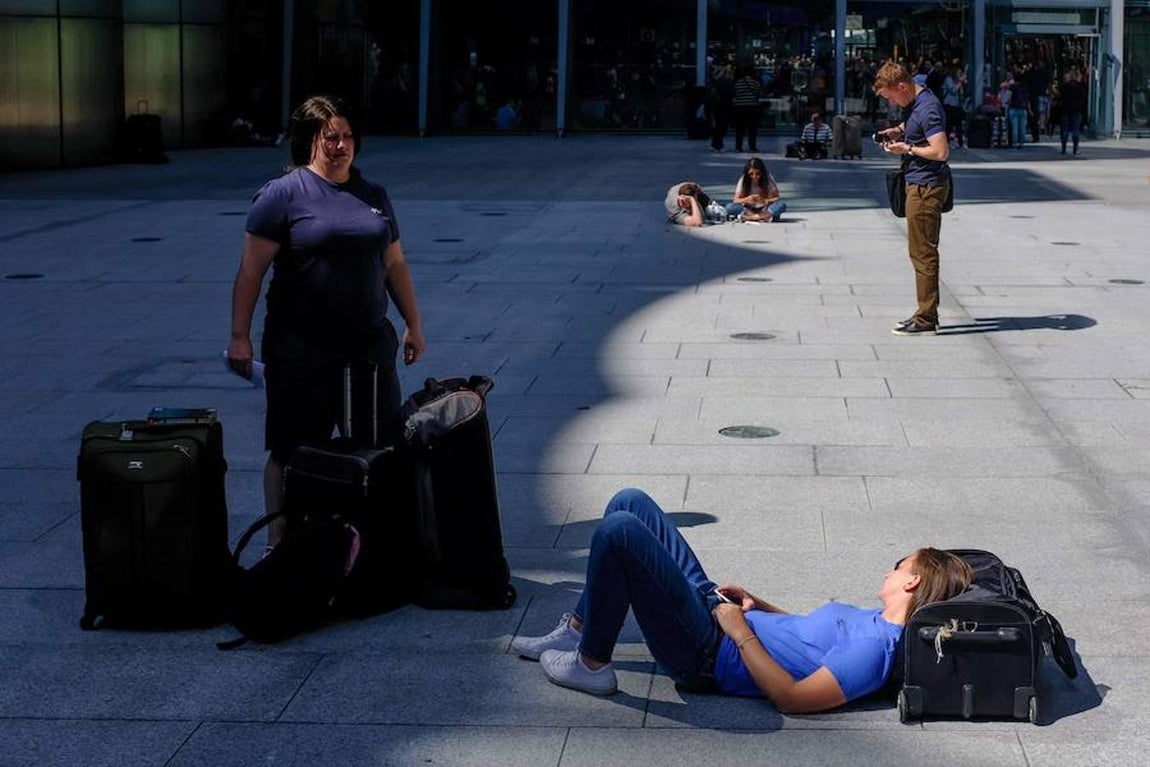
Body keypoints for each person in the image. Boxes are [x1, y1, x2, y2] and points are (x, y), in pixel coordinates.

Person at [511, 488, 973, 710]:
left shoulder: (877, 649)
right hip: (725, 623)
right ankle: (578, 630)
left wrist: (738, 632)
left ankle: (592, 665)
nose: (891, 568)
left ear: (912, 583)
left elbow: (794, 697)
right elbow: (805, 640)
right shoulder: (875, 620)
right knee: (630, 504)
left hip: (709, 654)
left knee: (619, 533)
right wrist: (760, 605)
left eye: (900, 565)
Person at [227, 95, 426, 553]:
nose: (340, 146)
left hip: (368, 348)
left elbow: (394, 264)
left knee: (376, 443)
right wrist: (239, 337)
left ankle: (369, 542)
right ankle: (280, 540)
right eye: (329, 137)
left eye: (346, 136)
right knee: (290, 447)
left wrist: (413, 323)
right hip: (301, 349)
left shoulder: (373, 194)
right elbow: (250, 272)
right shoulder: (282, 195)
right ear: (309, 142)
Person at [874, 61, 951, 337]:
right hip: (917, 183)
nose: (891, 101)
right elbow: (916, 124)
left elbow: (940, 151)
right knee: (920, 251)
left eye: (890, 96)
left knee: (923, 253)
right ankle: (925, 313)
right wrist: (899, 130)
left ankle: (926, 317)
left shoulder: (928, 108)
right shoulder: (920, 101)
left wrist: (906, 147)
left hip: (925, 188)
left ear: (903, 86)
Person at [725, 157, 786, 222]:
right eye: (751, 174)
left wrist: (765, 200)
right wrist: (747, 199)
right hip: (748, 209)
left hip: (765, 208)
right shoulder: (743, 180)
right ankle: (762, 217)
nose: (754, 177)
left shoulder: (768, 179)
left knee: (781, 206)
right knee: (729, 207)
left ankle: (750, 218)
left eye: (757, 174)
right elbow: (736, 200)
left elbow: (777, 198)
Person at [731, 62, 765, 153]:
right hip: (752, 107)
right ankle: (752, 146)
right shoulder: (755, 83)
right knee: (752, 129)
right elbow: (760, 93)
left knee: (740, 128)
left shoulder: (738, 83)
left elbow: (734, 93)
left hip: (740, 107)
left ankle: (739, 146)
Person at [1059, 69, 1087, 155]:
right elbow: (1083, 99)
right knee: (1076, 130)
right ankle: (1075, 149)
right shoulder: (1080, 86)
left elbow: (1060, 96)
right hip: (1077, 110)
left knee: (1065, 129)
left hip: (1065, 109)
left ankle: (1063, 148)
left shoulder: (1064, 86)